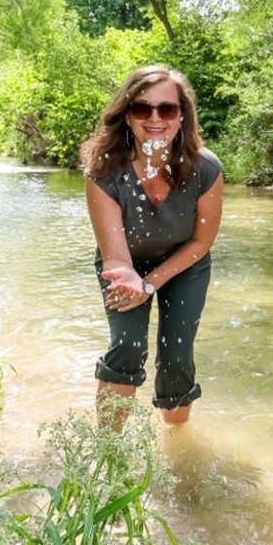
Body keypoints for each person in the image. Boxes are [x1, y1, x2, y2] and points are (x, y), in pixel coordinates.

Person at [81, 64, 224, 426]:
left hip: (185, 262)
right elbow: (115, 256)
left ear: (182, 117)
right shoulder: (104, 171)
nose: (155, 118)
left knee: (176, 356)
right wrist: (135, 283)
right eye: (142, 108)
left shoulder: (205, 168)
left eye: (167, 109)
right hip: (125, 265)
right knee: (128, 347)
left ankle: (178, 452)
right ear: (127, 116)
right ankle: (107, 455)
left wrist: (151, 284)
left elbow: (201, 242)